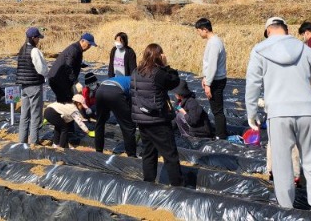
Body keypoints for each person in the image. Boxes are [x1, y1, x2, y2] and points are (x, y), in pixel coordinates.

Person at [245, 16, 311, 212]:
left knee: (282, 165)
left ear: (268, 31)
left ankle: (287, 209)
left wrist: (251, 112)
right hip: (307, 112)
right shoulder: (305, 49)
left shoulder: (260, 50)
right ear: (286, 29)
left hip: (279, 114)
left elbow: (252, 84)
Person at [131, 43, 184, 187]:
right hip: (158, 119)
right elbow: (174, 81)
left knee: (148, 152)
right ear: (158, 56)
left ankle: (148, 183)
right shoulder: (158, 73)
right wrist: (166, 66)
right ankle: (178, 186)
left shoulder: (136, 71)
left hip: (142, 119)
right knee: (170, 154)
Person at [195, 18, 228, 139]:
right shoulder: (213, 41)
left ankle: (221, 135)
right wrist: (205, 78)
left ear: (205, 29)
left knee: (217, 110)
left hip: (216, 80)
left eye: (199, 31)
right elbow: (209, 65)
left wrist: (208, 83)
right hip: (214, 79)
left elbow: (212, 65)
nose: (198, 33)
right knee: (216, 109)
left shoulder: (214, 43)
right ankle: (221, 133)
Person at [17, 27, 49, 145]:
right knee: (35, 115)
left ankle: (22, 141)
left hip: (24, 86)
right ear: (33, 38)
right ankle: (34, 141)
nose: (39, 40)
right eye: (38, 38)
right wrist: (46, 74)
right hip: (34, 85)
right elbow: (41, 69)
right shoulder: (34, 51)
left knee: (24, 115)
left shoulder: (22, 49)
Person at [94, 74, 137, 156]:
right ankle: (132, 156)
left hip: (100, 90)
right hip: (115, 92)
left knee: (99, 123)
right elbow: (133, 103)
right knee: (128, 127)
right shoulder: (136, 82)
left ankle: (98, 152)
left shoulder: (126, 78)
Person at [47, 32, 96, 103]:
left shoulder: (78, 49)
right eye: (88, 45)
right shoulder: (74, 50)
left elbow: (72, 62)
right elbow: (68, 66)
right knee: (66, 102)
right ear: (82, 41)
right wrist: (76, 82)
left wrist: (80, 64)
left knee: (67, 100)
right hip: (58, 80)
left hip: (62, 79)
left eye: (90, 45)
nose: (89, 47)